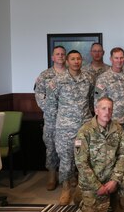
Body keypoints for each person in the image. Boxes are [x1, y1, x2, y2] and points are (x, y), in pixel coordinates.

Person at [74, 96, 124, 212]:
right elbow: (81, 163)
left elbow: (123, 155)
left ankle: (114, 197)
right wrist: (97, 186)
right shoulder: (84, 131)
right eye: (103, 108)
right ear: (96, 110)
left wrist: (114, 180)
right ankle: (81, 194)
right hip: (93, 180)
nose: (107, 112)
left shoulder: (118, 129)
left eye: (110, 109)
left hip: (111, 175)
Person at [46, 50, 95, 205]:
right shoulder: (58, 80)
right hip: (64, 128)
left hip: (84, 127)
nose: (76, 61)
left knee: (85, 159)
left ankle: (82, 188)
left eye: (78, 59)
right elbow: (51, 104)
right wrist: (57, 124)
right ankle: (66, 188)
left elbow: (93, 99)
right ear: (67, 61)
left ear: (82, 61)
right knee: (66, 160)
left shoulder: (89, 78)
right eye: (72, 59)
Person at [95, 47, 124, 170]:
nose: (119, 60)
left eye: (121, 58)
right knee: (114, 151)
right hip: (114, 122)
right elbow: (98, 101)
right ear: (111, 59)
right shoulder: (103, 79)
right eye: (116, 58)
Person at [34, 45, 66, 191]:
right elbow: (39, 95)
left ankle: (69, 176)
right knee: (51, 148)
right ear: (52, 57)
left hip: (68, 120)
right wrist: (50, 109)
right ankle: (52, 176)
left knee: (69, 149)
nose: (60, 56)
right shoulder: (44, 75)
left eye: (62, 54)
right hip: (52, 119)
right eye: (57, 54)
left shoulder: (71, 74)